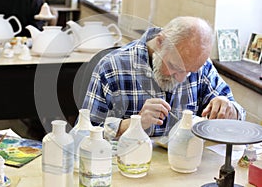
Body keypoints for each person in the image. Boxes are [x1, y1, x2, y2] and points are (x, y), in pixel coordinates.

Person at [81, 16, 246, 141]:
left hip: (185, 167)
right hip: (130, 168)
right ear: (159, 42)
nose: (182, 78)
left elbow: (239, 115)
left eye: (190, 71)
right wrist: (134, 124)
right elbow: (82, 135)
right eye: (175, 67)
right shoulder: (113, 67)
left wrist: (229, 109)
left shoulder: (200, 64)